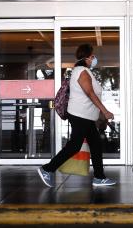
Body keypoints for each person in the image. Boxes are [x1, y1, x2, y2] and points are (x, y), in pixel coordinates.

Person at [38, 43, 116, 187]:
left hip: (85, 115)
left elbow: (89, 95)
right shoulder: (82, 72)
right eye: (93, 56)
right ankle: (47, 169)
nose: (94, 59)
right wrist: (104, 111)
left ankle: (99, 177)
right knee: (74, 146)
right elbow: (90, 93)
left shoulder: (82, 70)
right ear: (87, 57)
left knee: (96, 145)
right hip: (80, 115)